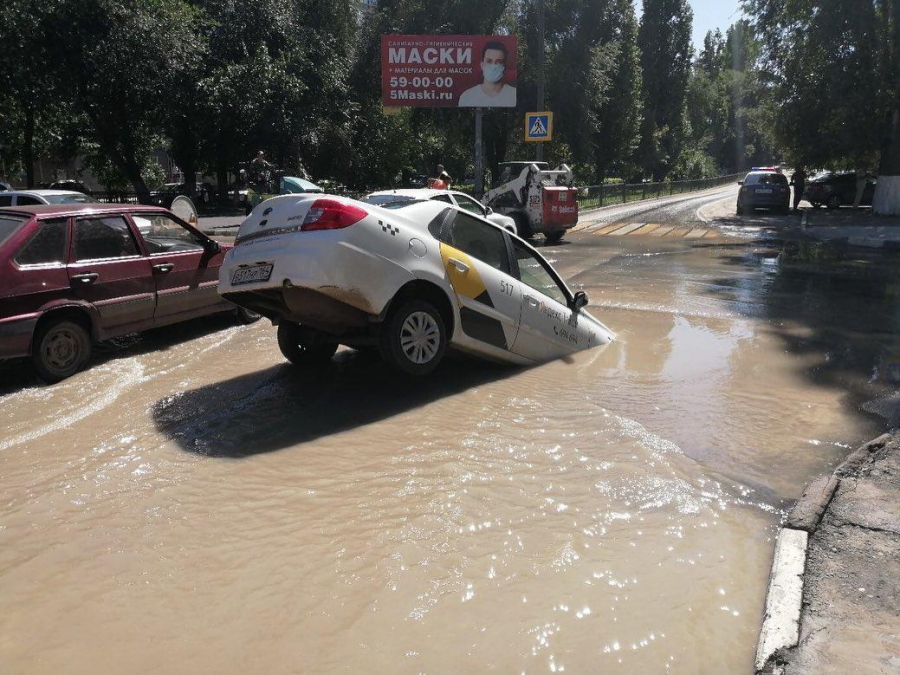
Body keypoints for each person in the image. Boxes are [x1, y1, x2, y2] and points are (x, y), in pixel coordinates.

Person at [458, 41, 517, 108]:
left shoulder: (513, 94)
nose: (493, 66)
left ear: (504, 66)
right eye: (489, 61)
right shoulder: (467, 97)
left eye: (499, 62)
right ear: (482, 65)